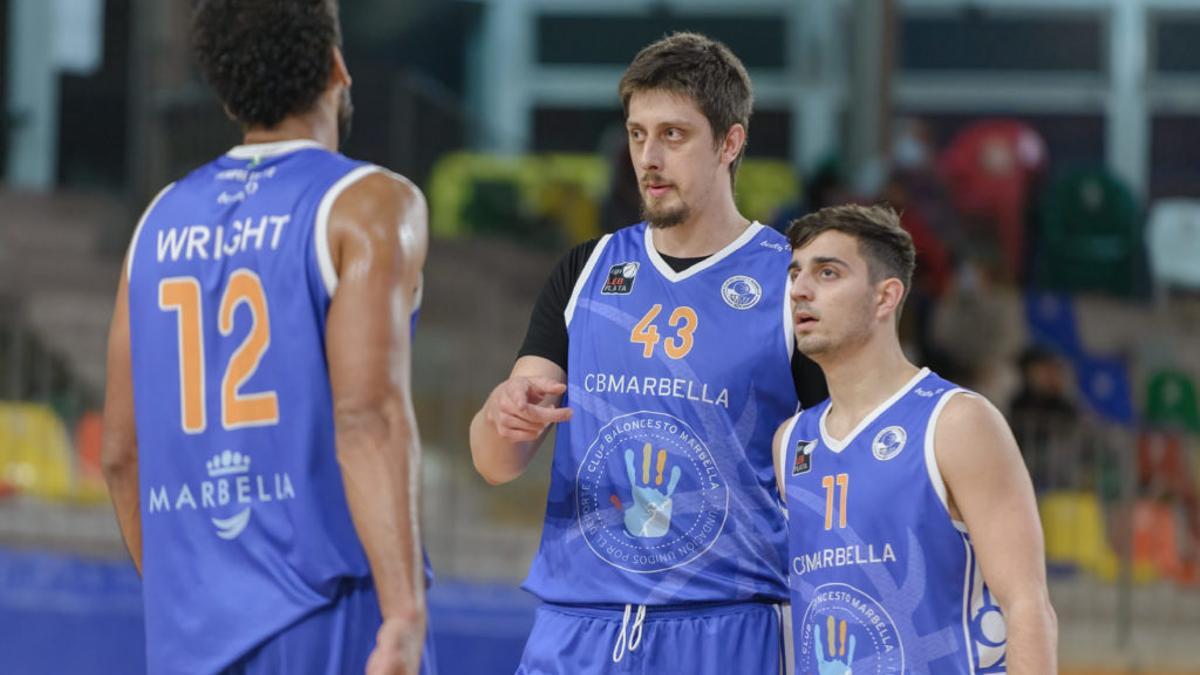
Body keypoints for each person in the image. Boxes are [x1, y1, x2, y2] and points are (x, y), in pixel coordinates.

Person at [469, 32, 825, 673]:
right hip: (577, 626)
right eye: (637, 135)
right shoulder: (586, 270)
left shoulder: (792, 284)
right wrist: (501, 415)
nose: (648, 158)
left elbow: (838, 473)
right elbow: (497, 461)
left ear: (730, 143)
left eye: (673, 135)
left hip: (726, 626)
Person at [100, 1, 432, 673]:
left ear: (228, 98)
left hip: (192, 634)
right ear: (337, 68)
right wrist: (402, 613)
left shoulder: (157, 222)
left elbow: (119, 453)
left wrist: (189, 601)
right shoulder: (368, 202)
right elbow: (367, 417)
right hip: (331, 612)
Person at [774, 204, 1057, 673]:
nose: (800, 290)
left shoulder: (956, 422)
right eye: (795, 273)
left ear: (885, 298)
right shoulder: (791, 443)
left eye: (827, 273)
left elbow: (1028, 607)